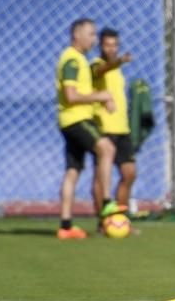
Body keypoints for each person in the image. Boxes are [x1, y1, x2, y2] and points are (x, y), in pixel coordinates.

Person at [55, 19, 118, 240]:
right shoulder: (72, 59)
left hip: (70, 120)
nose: (94, 39)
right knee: (107, 149)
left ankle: (65, 226)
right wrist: (101, 96)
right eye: (91, 34)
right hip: (76, 119)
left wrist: (100, 99)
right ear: (77, 35)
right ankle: (108, 203)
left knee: (73, 171)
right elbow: (71, 96)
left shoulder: (79, 59)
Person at [90, 28, 136, 217]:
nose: (111, 49)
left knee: (129, 174)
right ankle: (104, 221)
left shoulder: (118, 71)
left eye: (115, 45)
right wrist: (118, 61)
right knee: (101, 178)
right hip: (103, 128)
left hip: (122, 128)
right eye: (107, 45)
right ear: (101, 46)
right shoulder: (96, 65)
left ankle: (120, 219)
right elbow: (102, 69)